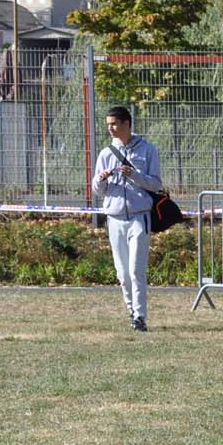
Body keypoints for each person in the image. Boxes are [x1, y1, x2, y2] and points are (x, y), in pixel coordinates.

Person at [91, 106, 163, 332]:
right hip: (114, 218)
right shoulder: (105, 154)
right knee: (122, 274)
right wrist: (101, 180)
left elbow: (156, 184)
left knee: (135, 270)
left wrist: (134, 175)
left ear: (126, 124)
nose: (110, 129)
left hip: (139, 218)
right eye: (108, 125)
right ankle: (131, 310)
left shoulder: (147, 150)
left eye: (114, 124)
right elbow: (97, 190)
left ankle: (140, 317)